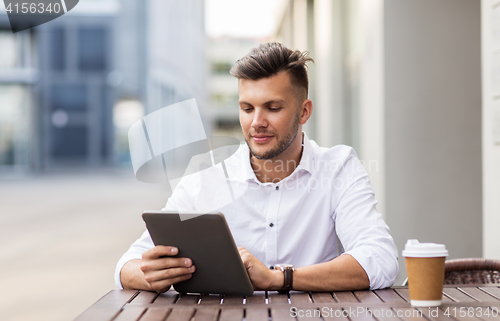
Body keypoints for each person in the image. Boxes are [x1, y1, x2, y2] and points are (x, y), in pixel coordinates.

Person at [115, 42, 398, 293]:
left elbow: (381, 259)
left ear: (304, 111)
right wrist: (146, 274)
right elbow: (127, 265)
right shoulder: (206, 178)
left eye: (273, 108)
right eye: (247, 108)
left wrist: (280, 278)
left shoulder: (338, 168)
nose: (256, 122)